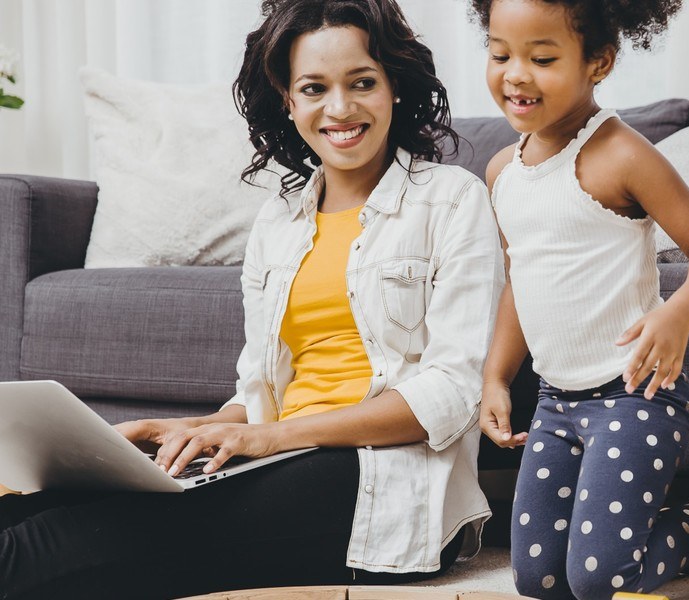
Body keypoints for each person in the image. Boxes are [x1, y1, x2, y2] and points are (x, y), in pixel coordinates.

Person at [0, 0, 503, 597]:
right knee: (23, 513)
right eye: (314, 88)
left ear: (395, 87)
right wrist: (194, 428)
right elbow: (260, 395)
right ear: (288, 102)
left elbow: (451, 395)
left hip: (376, 481)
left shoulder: (451, 200)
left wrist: (269, 439)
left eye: (362, 82)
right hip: (281, 459)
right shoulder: (279, 221)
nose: (339, 108)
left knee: (35, 554)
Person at [466, 1, 689, 598]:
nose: (515, 73)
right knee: (538, 581)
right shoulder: (500, 172)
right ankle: (645, 541)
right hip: (557, 405)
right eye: (499, 52)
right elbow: (522, 278)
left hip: (635, 398)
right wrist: (495, 375)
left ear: (599, 62)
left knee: (599, 583)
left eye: (541, 58)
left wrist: (677, 313)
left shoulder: (620, 154)